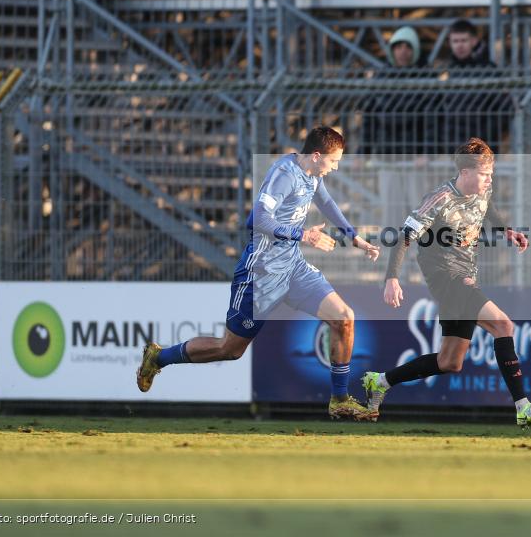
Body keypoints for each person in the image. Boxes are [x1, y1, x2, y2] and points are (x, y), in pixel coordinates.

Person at [136, 126, 382, 420]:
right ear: (317, 156)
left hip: (292, 268)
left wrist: (354, 237)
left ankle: (340, 400)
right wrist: (302, 235)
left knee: (344, 318)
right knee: (230, 349)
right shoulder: (284, 175)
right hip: (261, 272)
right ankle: (159, 357)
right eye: (334, 161)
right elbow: (258, 219)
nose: (335, 167)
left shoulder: (312, 175)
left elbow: (327, 203)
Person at [361, 138, 531, 428]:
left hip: (466, 274)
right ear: (465, 173)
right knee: (503, 325)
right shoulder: (439, 199)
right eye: (484, 174)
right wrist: (391, 278)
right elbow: (404, 236)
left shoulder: (483, 189)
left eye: (491, 173)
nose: (490, 179)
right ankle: (523, 407)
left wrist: (507, 230)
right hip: (447, 277)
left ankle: (381, 381)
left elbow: (486, 207)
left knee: (449, 361)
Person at [436, 20, 510, 154]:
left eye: (463, 40)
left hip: (481, 149)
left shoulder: (488, 71)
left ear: (474, 41)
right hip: (451, 147)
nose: (459, 45)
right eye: (455, 41)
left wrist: (484, 138)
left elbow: (503, 109)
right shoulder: (445, 71)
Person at [361, 26, 437, 156]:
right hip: (386, 153)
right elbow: (369, 119)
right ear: (392, 50)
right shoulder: (380, 78)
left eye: (408, 47)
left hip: (415, 156)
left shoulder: (426, 78)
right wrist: (362, 153)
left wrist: (427, 153)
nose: (403, 51)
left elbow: (431, 121)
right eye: (398, 47)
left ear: (415, 51)